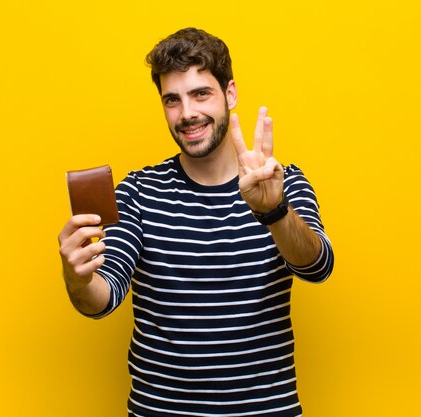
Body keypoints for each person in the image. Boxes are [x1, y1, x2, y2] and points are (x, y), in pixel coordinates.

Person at [58, 27, 334, 417]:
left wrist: (274, 211)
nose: (187, 113)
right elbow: (101, 301)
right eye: (173, 100)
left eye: (201, 93)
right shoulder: (138, 192)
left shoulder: (281, 180)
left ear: (230, 94)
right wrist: (77, 277)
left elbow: (318, 267)